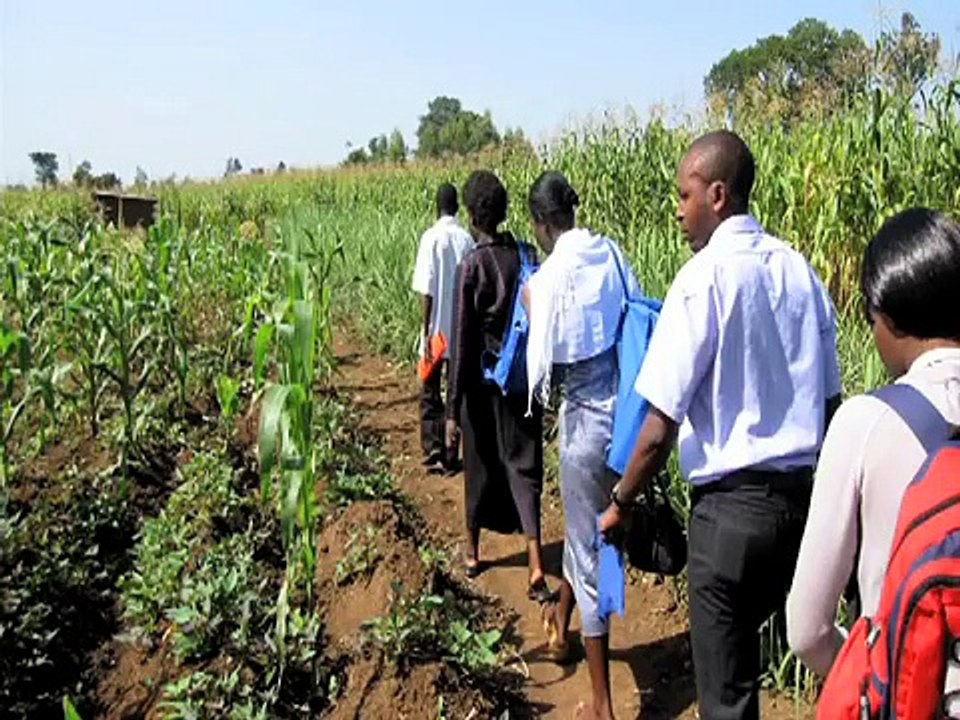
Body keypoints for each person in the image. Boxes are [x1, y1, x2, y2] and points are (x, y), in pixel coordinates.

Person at [598, 130, 842, 720]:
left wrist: (621, 500)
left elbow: (658, 426)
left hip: (728, 521)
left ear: (717, 193)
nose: (678, 211)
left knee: (728, 697)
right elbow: (832, 405)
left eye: (684, 196)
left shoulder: (702, 279)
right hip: (801, 511)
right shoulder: (800, 272)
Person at [787, 208, 960, 677]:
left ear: (887, 317)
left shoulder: (865, 423)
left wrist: (874, 679)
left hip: (912, 693)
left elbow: (806, 628)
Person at [523, 171, 643, 720]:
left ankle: (601, 704)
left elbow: (542, 363)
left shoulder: (549, 276)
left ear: (543, 223)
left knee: (588, 548)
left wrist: (532, 300)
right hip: (626, 419)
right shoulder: (611, 252)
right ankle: (580, 628)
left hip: (583, 425)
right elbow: (635, 310)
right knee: (605, 535)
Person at [445, 170, 550, 601]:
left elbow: (462, 340)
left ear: (472, 214)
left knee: (480, 466)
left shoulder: (472, 265)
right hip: (522, 381)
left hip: (483, 386)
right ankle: (536, 562)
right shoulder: (526, 255)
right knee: (525, 468)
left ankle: (471, 551)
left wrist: (453, 409)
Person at [411, 182, 474, 474]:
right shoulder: (466, 240)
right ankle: (453, 452)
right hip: (461, 329)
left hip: (436, 329)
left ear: (437, 207)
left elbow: (427, 290)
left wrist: (424, 332)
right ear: (457, 207)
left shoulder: (430, 238)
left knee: (430, 389)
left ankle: (433, 447)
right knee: (455, 392)